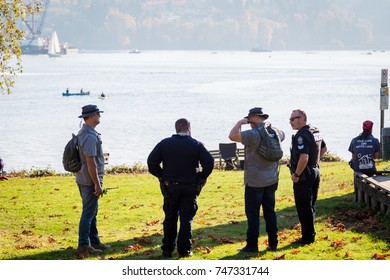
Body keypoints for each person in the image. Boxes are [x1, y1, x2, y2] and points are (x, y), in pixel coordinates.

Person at [147, 118, 214, 258]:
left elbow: (151, 162)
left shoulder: (164, 144)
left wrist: (161, 175)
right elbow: (209, 162)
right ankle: (184, 250)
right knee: (186, 219)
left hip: (170, 187)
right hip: (190, 186)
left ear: (176, 129)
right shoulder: (196, 144)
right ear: (189, 129)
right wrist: (201, 177)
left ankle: (167, 249)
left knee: (170, 218)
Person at [229, 107, 284, 253]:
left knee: (253, 214)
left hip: (254, 182)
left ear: (253, 117)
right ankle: (273, 243)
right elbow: (283, 135)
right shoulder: (275, 131)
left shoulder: (253, 134)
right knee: (270, 212)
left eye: (249, 118)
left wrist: (241, 122)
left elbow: (232, 136)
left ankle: (252, 245)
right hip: (272, 179)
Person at [76, 104, 111, 258]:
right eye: (97, 113)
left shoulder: (87, 133)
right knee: (88, 213)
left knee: (92, 212)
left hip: (84, 178)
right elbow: (91, 162)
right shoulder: (89, 136)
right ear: (90, 117)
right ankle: (84, 246)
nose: (100, 116)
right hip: (89, 180)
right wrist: (97, 184)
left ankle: (95, 241)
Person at [289, 109, 325, 245]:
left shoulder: (302, 135)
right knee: (310, 205)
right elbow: (323, 149)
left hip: (304, 174)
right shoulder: (315, 131)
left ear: (302, 119)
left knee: (303, 206)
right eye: (290, 120)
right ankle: (309, 234)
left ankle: (307, 237)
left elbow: (303, 157)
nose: (290, 122)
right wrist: (314, 163)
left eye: (293, 119)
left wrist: (297, 174)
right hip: (314, 171)